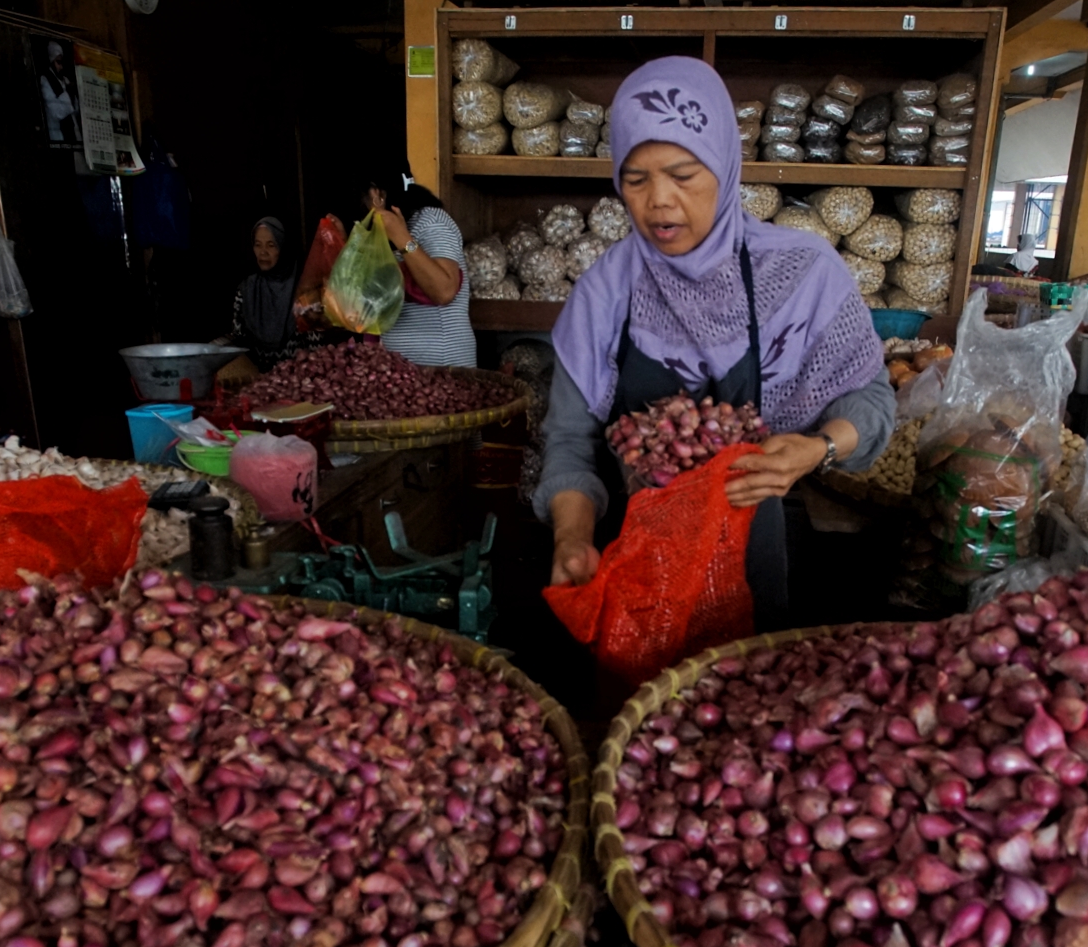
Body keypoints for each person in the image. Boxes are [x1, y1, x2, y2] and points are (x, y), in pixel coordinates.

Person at [538, 55, 893, 623]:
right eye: (636, 178)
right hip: (629, 563)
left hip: (749, 555)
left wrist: (818, 448)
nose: (659, 200)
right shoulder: (605, 291)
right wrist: (571, 535)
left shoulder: (801, 274)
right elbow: (568, 442)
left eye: (682, 175)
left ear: (725, 166)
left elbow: (870, 401)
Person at [359, 166, 476, 368]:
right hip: (401, 375)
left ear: (377, 194)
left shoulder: (431, 221)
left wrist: (401, 237)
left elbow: (445, 290)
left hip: (443, 369)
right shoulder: (378, 238)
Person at [225, 217, 301, 369]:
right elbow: (239, 341)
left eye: (271, 245)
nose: (263, 252)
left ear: (284, 248)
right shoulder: (246, 290)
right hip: (256, 381)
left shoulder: (302, 290)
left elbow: (316, 350)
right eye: (257, 245)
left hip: (299, 382)